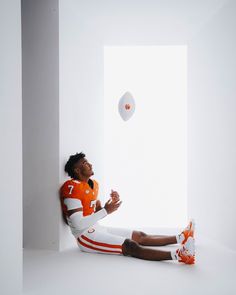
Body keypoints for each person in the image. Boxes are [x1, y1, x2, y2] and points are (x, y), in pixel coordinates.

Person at [60, 152, 195, 264]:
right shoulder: (72, 187)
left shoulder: (93, 184)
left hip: (96, 227)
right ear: (77, 170)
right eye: (85, 163)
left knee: (140, 235)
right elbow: (78, 224)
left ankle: (181, 237)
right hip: (85, 237)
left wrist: (108, 205)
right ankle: (180, 255)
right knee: (131, 246)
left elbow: (93, 212)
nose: (90, 164)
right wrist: (106, 210)